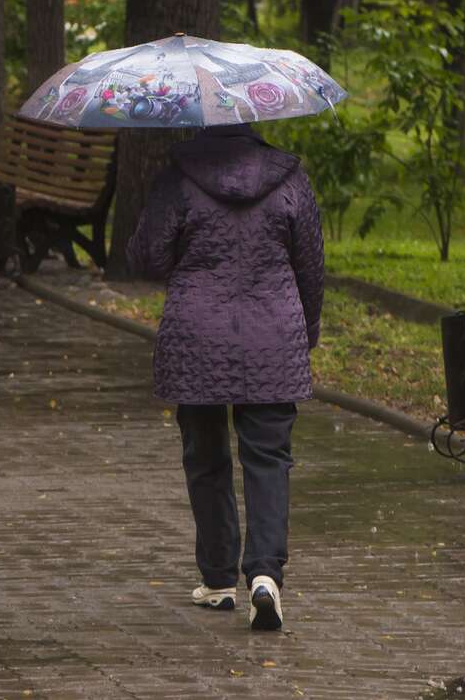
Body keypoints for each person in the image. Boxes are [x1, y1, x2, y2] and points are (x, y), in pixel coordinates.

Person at [126, 122, 323, 632]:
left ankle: (217, 580)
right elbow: (310, 268)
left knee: (206, 455)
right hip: (273, 336)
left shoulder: (179, 176)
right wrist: (308, 331)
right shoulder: (290, 177)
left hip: (198, 337)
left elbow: (147, 259)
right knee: (269, 457)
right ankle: (264, 575)